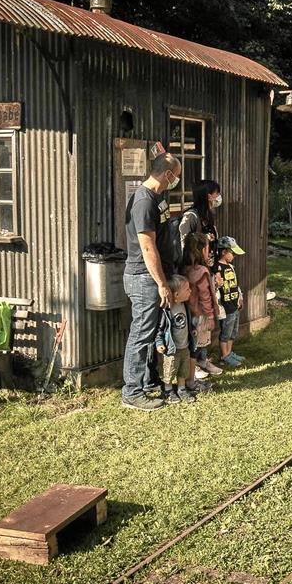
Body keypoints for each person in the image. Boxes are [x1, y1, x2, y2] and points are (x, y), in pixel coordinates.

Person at [121, 152, 182, 412]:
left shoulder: (157, 197)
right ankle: (131, 392)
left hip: (153, 277)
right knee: (141, 335)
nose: (177, 180)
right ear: (168, 174)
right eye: (176, 175)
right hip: (144, 278)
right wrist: (161, 283)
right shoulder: (143, 201)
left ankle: (147, 382)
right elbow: (147, 248)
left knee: (149, 333)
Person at [181, 232, 221, 382]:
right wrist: (210, 316)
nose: (209, 251)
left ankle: (202, 363)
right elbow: (205, 296)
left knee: (195, 340)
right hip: (201, 314)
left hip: (189, 312)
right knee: (200, 341)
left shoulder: (183, 268)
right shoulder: (201, 272)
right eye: (207, 248)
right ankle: (198, 365)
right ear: (201, 250)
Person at [154, 275, 197, 405]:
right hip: (171, 348)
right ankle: (168, 390)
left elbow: (188, 323)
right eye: (187, 289)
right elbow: (160, 329)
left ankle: (181, 388)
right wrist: (160, 343)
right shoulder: (167, 311)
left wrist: (192, 330)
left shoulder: (185, 307)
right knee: (169, 369)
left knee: (183, 369)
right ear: (177, 294)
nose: (190, 291)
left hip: (185, 346)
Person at [215, 235, 246, 367]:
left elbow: (235, 284)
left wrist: (240, 297)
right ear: (224, 252)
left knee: (233, 332)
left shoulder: (231, 267)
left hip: (234, 305)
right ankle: (224, 356)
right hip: (226, 307)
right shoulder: (217, 268)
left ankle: (229, 352)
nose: (235, 256)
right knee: (226, 333)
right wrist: (217, 283)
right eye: (232, 253)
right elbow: (215, 287)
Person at [178, 179, 222, 271]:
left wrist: (216, 270)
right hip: (196, 271)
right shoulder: (191, 216)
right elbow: (184, 244)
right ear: (209, 196)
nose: (219, 197)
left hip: (209, 269)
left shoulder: (208, 216)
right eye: (217, 193)